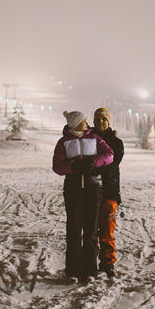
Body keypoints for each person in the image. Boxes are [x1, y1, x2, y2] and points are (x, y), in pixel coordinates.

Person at [52, 110, 114, 283]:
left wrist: (92, 162)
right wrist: (73, 167)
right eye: (83, 121)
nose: (87, 123)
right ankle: (72, 270)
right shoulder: (64, 142)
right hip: (73, 188)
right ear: (75, 123)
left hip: (93, 187)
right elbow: (57, 166)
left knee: (91, 230)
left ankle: (90, 270)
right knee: (73, 229)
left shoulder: (94, 138)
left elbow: (109, 155)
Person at [93, 107, 124, 278]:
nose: (100, 122)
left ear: (108, 121)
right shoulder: (90, 139)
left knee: (107, 230)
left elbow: (113, 163)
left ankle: (107, 262)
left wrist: (94, 166)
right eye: (97, 120)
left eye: (103, 119)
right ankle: (90, 261)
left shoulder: (116, 142)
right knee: (90, 231)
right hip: (91, 191)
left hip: (110, 192)